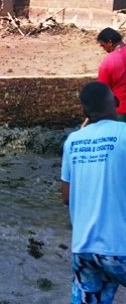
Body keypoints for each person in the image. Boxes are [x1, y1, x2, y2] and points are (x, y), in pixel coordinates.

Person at [61, 81, 126, 303]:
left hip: (84, 249)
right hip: (120, 247)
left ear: (84, 111)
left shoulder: (73, 141)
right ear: (116, 103)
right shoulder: (124, 134)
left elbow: (67, 196)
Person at [97, 28, 126, 121]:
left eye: (103, 46)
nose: (104, 49)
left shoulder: (108, 62)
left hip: (121, 111)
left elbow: (102, 91)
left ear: (110, 42)